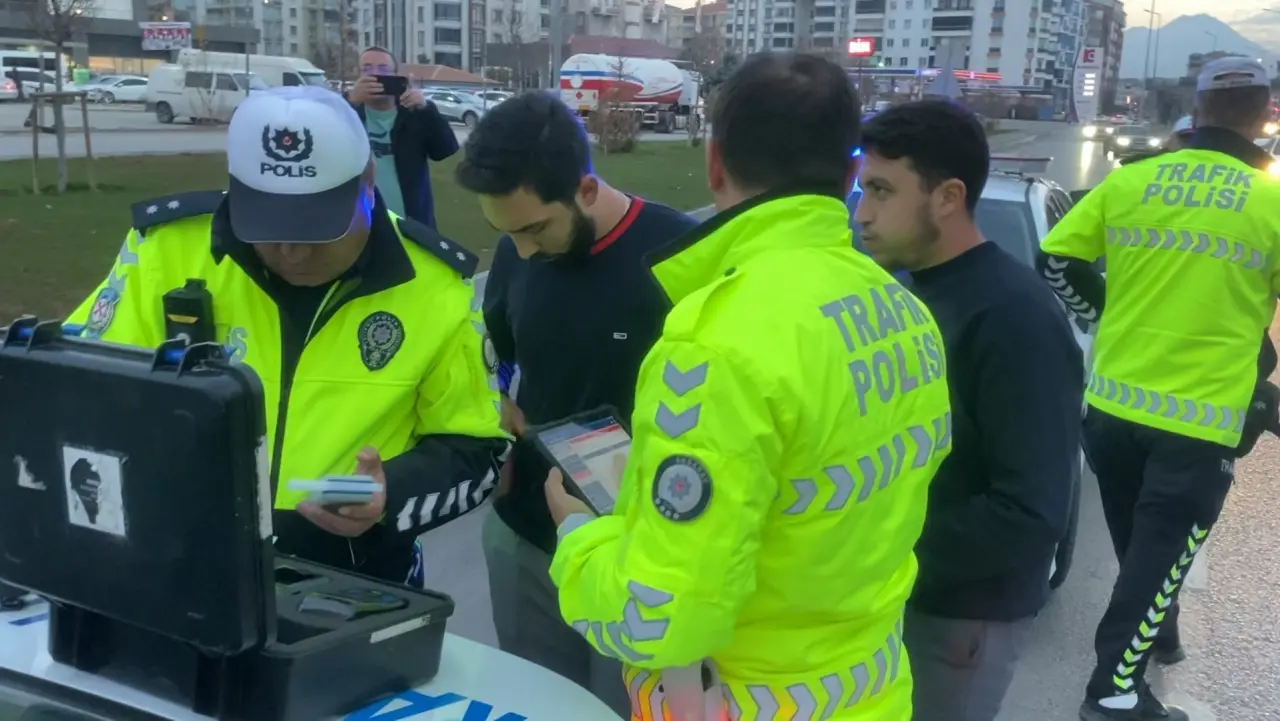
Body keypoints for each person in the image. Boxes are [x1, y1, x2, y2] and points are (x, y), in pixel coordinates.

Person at [543, 52, 953, 719]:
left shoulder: (715, 344)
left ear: (714, 163)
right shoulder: (903, 309)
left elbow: (660, 620)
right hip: (873, 694)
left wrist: (578, 540)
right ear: (851, 173)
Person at [65, 86, 509, 588]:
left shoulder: (435, 286)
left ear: (367, 183)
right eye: (268, 225)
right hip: (171, 564)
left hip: (352, 586)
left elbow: (477, 450)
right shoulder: (164, 251)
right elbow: (76, 388)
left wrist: (394, 492)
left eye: (315, 228)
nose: (291, 252)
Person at [1037, 58, 1280, 721]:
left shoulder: (1132, 181)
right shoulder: (1270, 201)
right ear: (1264, 116)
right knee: (1160, 552)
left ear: (1196, 112)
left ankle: (1160, 627)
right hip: (1199, 421)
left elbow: (1054, 258)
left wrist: (1102, 314)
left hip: (1112, 410)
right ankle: (1113, 693)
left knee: (1141, 548)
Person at [454, 91, 696, 715]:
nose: (522, 252)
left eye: (535, 229)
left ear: (586, 188)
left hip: (639, 557)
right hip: (528, 541)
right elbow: (494, 357)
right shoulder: (519, 251)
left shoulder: (682, 257)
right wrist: (494, 406)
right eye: (507, 233)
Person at [856, 100, 1083, 721]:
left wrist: (875, 551)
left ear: (948, 197)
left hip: (960, 621)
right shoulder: (907, 291)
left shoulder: (1014, 317)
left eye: (882, 191)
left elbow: (1031, 509)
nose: (862, 213)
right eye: (862, 189)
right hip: (900, 597)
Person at [346, 46, 458, 229]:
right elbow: (323, 149)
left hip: (410, 225)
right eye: (366, 69)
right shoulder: (347, 114)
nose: (375, 75)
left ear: (396, 76)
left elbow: (446, 150)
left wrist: (426, 110)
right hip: (360, 225)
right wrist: (349, 103)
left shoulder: (414, 114)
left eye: (383, 69)